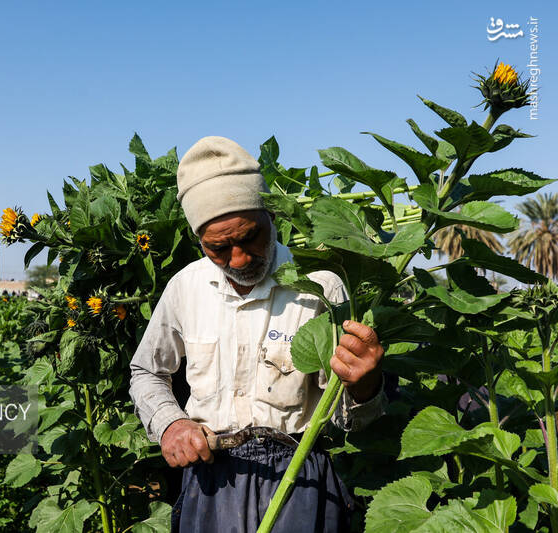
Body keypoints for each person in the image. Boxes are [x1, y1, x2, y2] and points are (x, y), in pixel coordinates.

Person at [128, 136, 386, 533]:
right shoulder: (186, 287)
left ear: (271, 217)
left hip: (298, 478)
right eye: (219, 248)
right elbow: (147, 371)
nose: (240, 258)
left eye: (250, 236)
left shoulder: (319, 287)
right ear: (200, 240)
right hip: (212, 478)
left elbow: (347, 420)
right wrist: (171, 423)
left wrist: (364, 387)